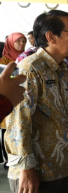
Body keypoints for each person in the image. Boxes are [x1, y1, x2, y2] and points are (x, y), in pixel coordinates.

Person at [6, 10, 68, 193]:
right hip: (37, 173)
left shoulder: (61, 68)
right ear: (50, 37)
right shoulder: (30, 69)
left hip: (60, 168)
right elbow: (18, 122)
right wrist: (26, 168)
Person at [0, 32, 27, 170]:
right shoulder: (3, 61)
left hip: (24, 99)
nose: (21, 44)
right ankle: (8, 159)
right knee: (7, 131)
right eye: (18, 41)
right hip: (8, 99)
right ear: (10, 42)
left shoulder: (27, 57)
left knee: (22, 128)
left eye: (24, 41)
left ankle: (22, 156)